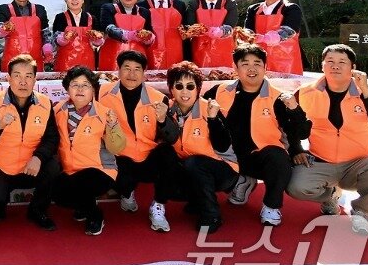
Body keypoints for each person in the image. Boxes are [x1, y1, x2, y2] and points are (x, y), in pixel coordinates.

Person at [202, 44, 312, 226]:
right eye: (245, 64)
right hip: (226, 157)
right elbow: (198, 115)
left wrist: (296, 145)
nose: (251, 68)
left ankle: (271, 205)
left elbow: (298, 133)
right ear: (235, 68)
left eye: (257, 63)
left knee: (278, 158)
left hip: (259, 157)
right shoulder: (218, 91)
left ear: (265, 67)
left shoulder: (279, 98)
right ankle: (240, 181)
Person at [287, 44, 368, 235]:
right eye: (330, 61)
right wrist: (297, 149)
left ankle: (362, 212)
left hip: (358, 164)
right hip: (321, 161)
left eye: (342, 62)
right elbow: (289, 125)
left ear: (352, 67)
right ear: (322, 66)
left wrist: (365, 90)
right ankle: (330, 195)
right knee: (295, 187)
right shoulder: (305, 92)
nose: (335, 66)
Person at [97, 51, 179, 233]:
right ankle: (126, 194)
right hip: (119, 156)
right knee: (110, 166)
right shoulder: (102, 93)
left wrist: (163, 120)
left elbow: (172, 137)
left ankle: (158, 205)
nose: (132, 74)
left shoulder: (158, 98)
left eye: (137, 69)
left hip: (148, 156)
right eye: (126, 68)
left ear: (144, 72)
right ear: (118, 70)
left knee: (168, 153)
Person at [0, 54, 61, 230]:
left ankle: (37, 210)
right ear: (9, 78)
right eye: (17, 76)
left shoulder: (45, 103)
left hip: (30, 167)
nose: (23, 82)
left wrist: (38, 157)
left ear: (34, 78)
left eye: (28, 76)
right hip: (1, 167)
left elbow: (52, 138)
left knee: (53, 166)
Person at [160, 61, 235, 232]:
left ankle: (212, 214)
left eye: (190, 86)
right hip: (191, 166)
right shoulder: (167, 111)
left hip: (223, 168)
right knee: (166, 163)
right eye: (178, 86)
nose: (184, 91)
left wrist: (213, 120)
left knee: (194, 163)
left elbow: (223, 146)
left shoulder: (210, 108)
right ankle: (197, 200)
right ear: (171, 89)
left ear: (198, 88)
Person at [51, 66, 125, 235]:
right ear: (67, 88)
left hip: (100, 171)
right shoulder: (57, 111)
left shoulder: (105, 113)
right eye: (74, 84)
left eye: (85, 85)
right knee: (57, 192)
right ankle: (83, 206)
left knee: (85, 181)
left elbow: (117, 148)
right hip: (70, 170)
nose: (80, 89)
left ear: (93, 89)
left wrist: (113, 126)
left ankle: (95, 215)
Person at [242, 0, 304, 74]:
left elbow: (290, 30)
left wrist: (269, 38)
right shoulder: (253, 9)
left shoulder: (290, 8)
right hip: (259, 59)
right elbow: (248, 31)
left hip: (285, 61)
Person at [0, 0, 52, 72]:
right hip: (12, 62)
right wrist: (4, 28)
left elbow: (46, 34)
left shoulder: (40, 9)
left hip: (35, 61)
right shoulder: (4, 9)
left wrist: (48, 50)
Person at [97, 0, 155, 70]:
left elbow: (150, 33)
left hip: (137, 59)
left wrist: (148, 37)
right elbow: (108, 28)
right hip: (113, 57)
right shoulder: (108, 8)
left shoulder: (145, 12)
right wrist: (130, 35)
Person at [185, 0, 238, 68]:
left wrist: (221, 31)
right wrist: (196, 30)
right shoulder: (194, 4)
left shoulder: (230, 4)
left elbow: (231, 25)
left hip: (224, 50)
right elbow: (189, 25)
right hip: (200, 50)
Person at [138, 0, 187, 70]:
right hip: (150, 53)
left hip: (176, 53)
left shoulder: (180, 5)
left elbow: (185, 30)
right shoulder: (141, 6)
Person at [53, 0, 104, 72]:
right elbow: (55, 40)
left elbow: (99, 43)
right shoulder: (60, 17)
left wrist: (97, 39)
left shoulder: (92, 18)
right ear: (65, 0)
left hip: (87, 63)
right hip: (65, 64)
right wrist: (64, 38)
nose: (74, 0)